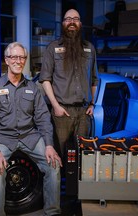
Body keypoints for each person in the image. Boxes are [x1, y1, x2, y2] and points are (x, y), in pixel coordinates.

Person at [0, 42, 62, 216]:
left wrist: (49, 144)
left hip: (30, 137)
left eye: (21, 57)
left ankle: (53, 211)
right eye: (14, 57)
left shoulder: (33, 89)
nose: (18, 61)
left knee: (53, 165)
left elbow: (43, 118)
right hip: (4, 139)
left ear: (25, 60)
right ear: (7, 60)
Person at [39, 9, 99, 157]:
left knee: (83, 154)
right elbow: (45, 79)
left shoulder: (89, 48)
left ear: (80, 23)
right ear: (63, 23)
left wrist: (92, 104)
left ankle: (78, 181)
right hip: (62, 113)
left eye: (76, 19)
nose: (72, 22)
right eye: (68, 19)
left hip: (84, 113)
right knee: (61, 154)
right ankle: (62, 180)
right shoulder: (53, 48)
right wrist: (56, 106)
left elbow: (94, 79)